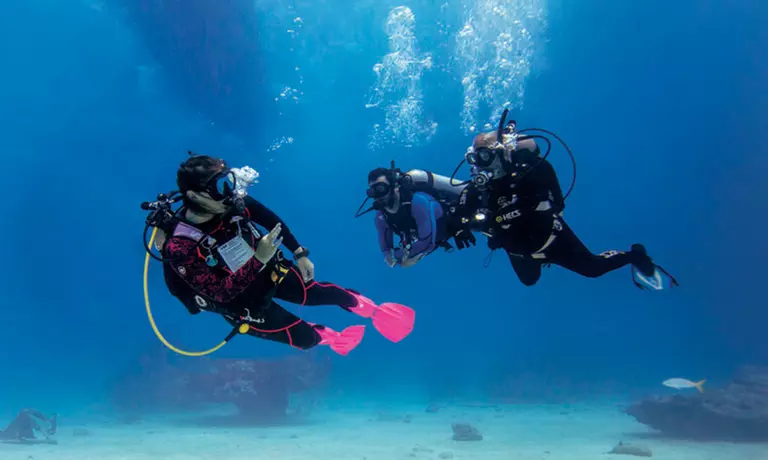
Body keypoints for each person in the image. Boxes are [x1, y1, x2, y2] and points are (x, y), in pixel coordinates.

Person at [151, 154, 416, 356]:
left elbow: (268, 218)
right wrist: (258, 260)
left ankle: (373, 310)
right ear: (196, 195)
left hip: (268, 271)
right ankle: (329, 337)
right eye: (218, 186)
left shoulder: (232, 204)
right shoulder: (180, 247)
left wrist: (299, 253)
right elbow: (220, 293)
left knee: (320, 293)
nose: (228, 192)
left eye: (226, 182)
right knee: (304, 339)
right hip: (241, 303)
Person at [456, 109, 678, 290]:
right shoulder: (481, 187)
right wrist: (462, 227)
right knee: (529, 281)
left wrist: (494, 221)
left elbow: (547, 203)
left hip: (551, 237)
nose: (480, 166)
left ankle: (635, 255)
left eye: (485, 157)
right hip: (519, 249)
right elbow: (464, 212)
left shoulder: (530, 170)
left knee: (593, 269)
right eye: (475, 159)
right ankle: (538, 259)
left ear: (499, 153)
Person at [354, 162, 477, 268]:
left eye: (381, 189)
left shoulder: (418, 202)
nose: (378, 196)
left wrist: (400, 256)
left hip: (462, 218)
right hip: (437, 237)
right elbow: (386, 252)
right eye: (372, 192)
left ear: (395, 187)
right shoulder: (382, 217)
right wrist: (400, 256)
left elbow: (427, 242)